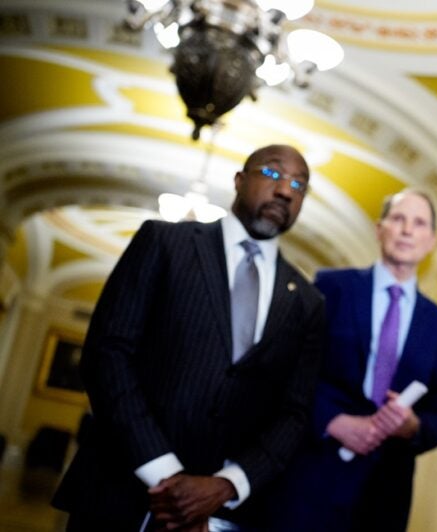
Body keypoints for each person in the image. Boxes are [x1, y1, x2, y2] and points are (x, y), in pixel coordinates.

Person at [52, 144, 325, 531]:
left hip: (224, 514)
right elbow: (107, 354)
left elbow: (294, 414)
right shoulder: (164, 243)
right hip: (120, 494)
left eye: (300, 184)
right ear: (239, 180)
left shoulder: (308, 301)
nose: (285, 190)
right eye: (272, 173)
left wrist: (226, 485)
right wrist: (168, 478)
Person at [272, 189, 437, 531]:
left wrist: (413, 426)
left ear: (431, 240)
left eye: (419, 223)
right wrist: (332, 422)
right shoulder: (332, 286)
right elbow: (291, 371)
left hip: (385, 490)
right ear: (379, 228)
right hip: (312, 472)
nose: (406, 230)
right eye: (398, 219)